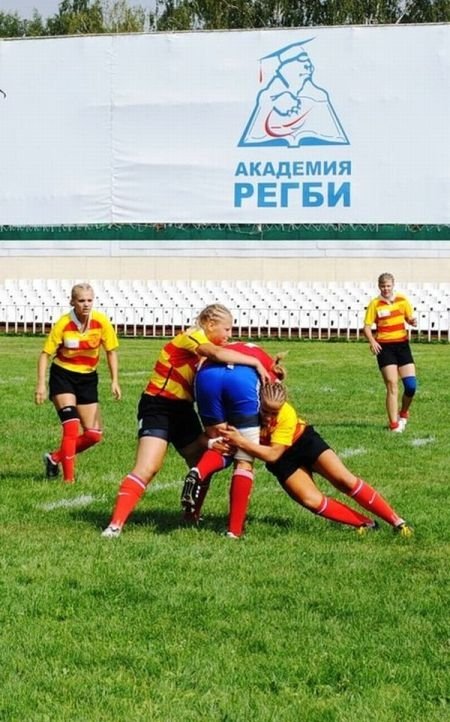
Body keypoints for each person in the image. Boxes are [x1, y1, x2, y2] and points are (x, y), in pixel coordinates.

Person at [101, 304, 271, 538]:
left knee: (201, 464)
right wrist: (256, 362)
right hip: (158, 405)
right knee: (148, 467)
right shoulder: (192, 335)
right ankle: (115, 525)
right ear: (210, 324)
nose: (229, 336)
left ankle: (191, 517)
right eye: (227, 329)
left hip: (183, 409)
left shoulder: (203, 344)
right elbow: (217, 354)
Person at [217, 383, 413, 537]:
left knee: (344, 480)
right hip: (283, 460)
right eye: (265, 411)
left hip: (304, 442)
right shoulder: (247, 410)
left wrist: (240, 441)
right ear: (258, 402)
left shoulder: (287, 413)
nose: (269, 417)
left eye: (274, 413)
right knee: (311, 501)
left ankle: (397, 522)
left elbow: (272, 454)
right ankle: (366, 524)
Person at [181, 341, 287, 538]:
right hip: (241, 381)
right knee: (244, 462)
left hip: (207, 378)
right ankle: (235, 530)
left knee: (219, 444)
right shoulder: (262, 359)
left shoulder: (224, 345)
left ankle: (197, 481)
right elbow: (273, 394)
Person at [35, 282, 122, 483]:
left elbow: (111, 351)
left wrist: (115, 381)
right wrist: (41, 384)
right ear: (72, 302)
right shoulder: (63, 324)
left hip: (88, 379)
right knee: (72, 427)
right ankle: (69, 480)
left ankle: (54, 458)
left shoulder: (101, 321)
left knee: (94, 435)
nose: (86, 304)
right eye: (81, 300)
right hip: (63, 376)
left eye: (89, 300)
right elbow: (44, 355)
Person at [363, 273, 418, 432]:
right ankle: (394, 425)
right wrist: (372, 341)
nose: (385, 289)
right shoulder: (375, 304)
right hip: (385, 347)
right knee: (392, 384)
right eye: (382, 286)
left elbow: (408, 318)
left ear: (393, 285)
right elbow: (366, 327)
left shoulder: (402, 300)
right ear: (379, 286)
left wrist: (412, 321)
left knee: (411, 386)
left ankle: (404, 413)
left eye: (388, 285)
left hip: (402, 346)